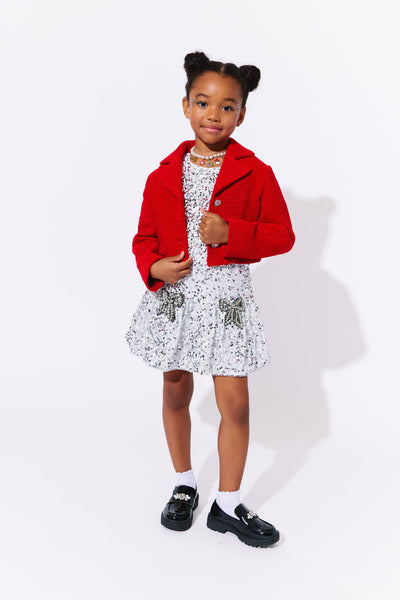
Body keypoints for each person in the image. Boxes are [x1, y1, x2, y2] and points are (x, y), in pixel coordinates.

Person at [125, 51, 295, 548]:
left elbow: (282, 236)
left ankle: (228, 502)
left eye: (227, 106)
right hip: (177, 300)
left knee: (235, 404)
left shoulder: (256, 173)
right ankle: (184, 483)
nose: (213, 115)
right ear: (185, 106)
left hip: (226, 303)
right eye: (203, 103)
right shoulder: (162, 175)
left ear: (241, 114)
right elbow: (143, 238)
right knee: (176, 390)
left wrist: (231, 232)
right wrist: (153, 266)